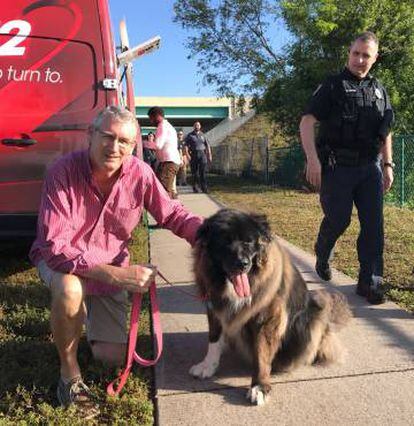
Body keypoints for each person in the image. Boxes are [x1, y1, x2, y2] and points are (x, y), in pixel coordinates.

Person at [29, 106, 203, 416]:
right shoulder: (62, 171)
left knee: (110, 358)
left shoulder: (140, 173)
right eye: (107, 137)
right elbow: (55, 247)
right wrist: (115, 276)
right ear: (90, 136)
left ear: (134, 144)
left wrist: (208, 233)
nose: (114, 147)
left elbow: (171, 213)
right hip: (64, 263)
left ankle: (75, 317)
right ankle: (68, 375)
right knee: (70, 289)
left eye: (124, 141)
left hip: (111, 267)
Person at [300, 31, 394, 305]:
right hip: (336, 168)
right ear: (349, 53)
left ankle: (370, 280)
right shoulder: (332, 85)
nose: (360, 59)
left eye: (366, 55)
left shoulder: (379, 91)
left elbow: (385, 131)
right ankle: (323, 247)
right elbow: (307, 121)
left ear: (374, 59)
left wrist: (387, 164)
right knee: (339, 219)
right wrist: (312, 159)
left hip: (370, 168)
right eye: (356, 53)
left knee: (374, 226)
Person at [147, 106, 181, 199]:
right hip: (169, 162)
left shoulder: (162, 126)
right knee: (165, 189)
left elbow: (158, 145)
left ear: (157, 116)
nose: (151, 121)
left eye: (151, 118)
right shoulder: (167, 126)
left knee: (164, 192)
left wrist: (144, 144)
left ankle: (170, 211)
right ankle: (174, 208)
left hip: (169, 162)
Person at [185, 121, 212, 193]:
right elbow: (186, 146)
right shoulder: (190, 135)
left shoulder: (203, 135)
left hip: (202, 154)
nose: (197, 126)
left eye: (198, 125)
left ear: (200, 126)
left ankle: (204, 188)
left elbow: (207, 145)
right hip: (194, 154)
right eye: (196, 125)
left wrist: (209, 155)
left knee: (203, 172)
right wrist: (187, 155)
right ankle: (195, 187)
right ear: (194, 127)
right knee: (195, 173)